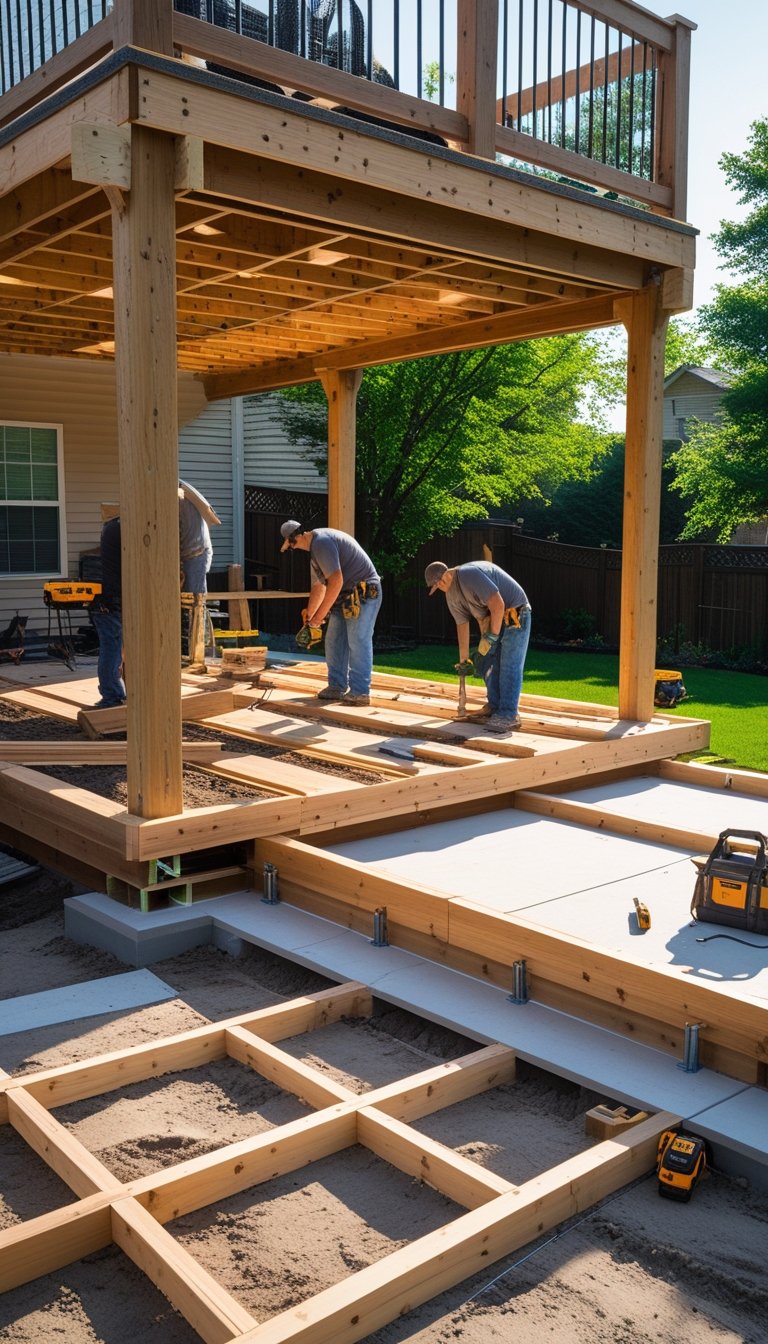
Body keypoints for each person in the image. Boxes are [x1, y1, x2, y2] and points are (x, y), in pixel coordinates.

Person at [280, 520, 382, 705]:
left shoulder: (322, 542)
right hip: (345, 595)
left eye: (292, 544)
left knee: (357, 639)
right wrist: (311, 615)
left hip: (364, 591)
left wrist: (319, 618)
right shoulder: (315, 553)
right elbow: (319, 586)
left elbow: (336, 581)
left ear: (297, 536)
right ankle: (336, 686)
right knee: (334, 640)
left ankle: (360, 692)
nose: (294, 548)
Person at [425, 558, 531, 733]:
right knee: (487, 661)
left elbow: (498, 604)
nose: (439, 589)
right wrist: (464, 660)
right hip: (494, 617)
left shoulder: (469, 575)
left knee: (509, 663)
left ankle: (509, 714)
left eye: (438, 586)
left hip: (515, 610)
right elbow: (462, 625)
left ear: (444, 578)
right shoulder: (451, 595)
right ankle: (494, 707)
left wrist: (492, 638)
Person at [90, 515, 126, 708]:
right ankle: (112, 697)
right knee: (112, 649)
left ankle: (114, 694)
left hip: (108, 598)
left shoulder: (112, 527)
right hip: (111, 600)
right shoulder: (122, 530)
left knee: (112, 648)